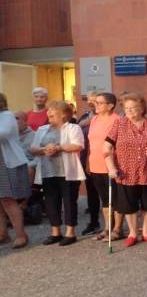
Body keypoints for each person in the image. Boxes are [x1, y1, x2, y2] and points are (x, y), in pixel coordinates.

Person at [104, 93, 147, 247]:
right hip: (125, 172)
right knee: (129, 204)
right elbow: (107, 147)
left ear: (142, 108)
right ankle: (132, 233)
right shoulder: (119, 124)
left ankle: (145, 232)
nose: (130, 111)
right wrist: (111, 167)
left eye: (133, 108)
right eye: (127, 108)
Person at [30, 101, 86, 246]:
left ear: (64, 115)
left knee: (69, 202)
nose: (49, 116)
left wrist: (58, 148)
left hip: (68, 172)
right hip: (48, 172)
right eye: (48, 113)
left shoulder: (73, 128)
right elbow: (33, 149)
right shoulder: (42, 129)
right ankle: (55, 232)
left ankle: (70, 232)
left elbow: (78, 145)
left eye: (53, 114)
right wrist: (45, 150)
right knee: (50, 202)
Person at [87, 92, 122, 241]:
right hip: (95, 163)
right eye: (96, 102)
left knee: (115, 198)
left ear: (110, 106)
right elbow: (91, 142)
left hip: (111, 165)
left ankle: (117, 229)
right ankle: (107, 227)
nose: (96, 105)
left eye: (100, 103)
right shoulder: (94, 119)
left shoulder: (117, 120)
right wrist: (88, 162)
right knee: (104, 199)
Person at [0, 93, 31, 248]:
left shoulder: (6, 116)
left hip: (7, 162)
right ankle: (2, 233)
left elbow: (3, 133)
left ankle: (21, 235)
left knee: (8, 199)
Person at [78, 91, 102, 235]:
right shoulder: (84, 117)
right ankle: (94, 222)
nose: (92, 102)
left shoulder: (110, 117)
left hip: (104, 159)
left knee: (108, 195)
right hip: (87, 158)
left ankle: (112, 226)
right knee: (91, 193)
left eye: (95, 100)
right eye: (89, 100)